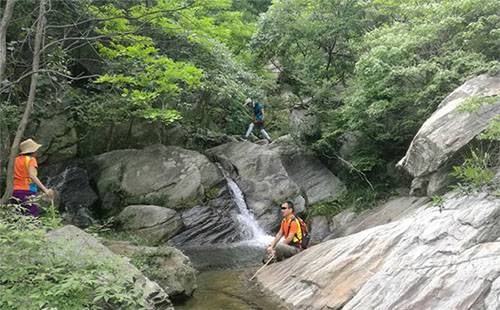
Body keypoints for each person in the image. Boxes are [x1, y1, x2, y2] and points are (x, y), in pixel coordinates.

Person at [11, 138, 54, 217]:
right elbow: (32, 175)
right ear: (33, 151)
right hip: (28, 191)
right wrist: (46, 190)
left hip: (15, 191)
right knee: (32, 217)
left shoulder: (15, 160)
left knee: (16, 217)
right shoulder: (31, 160)